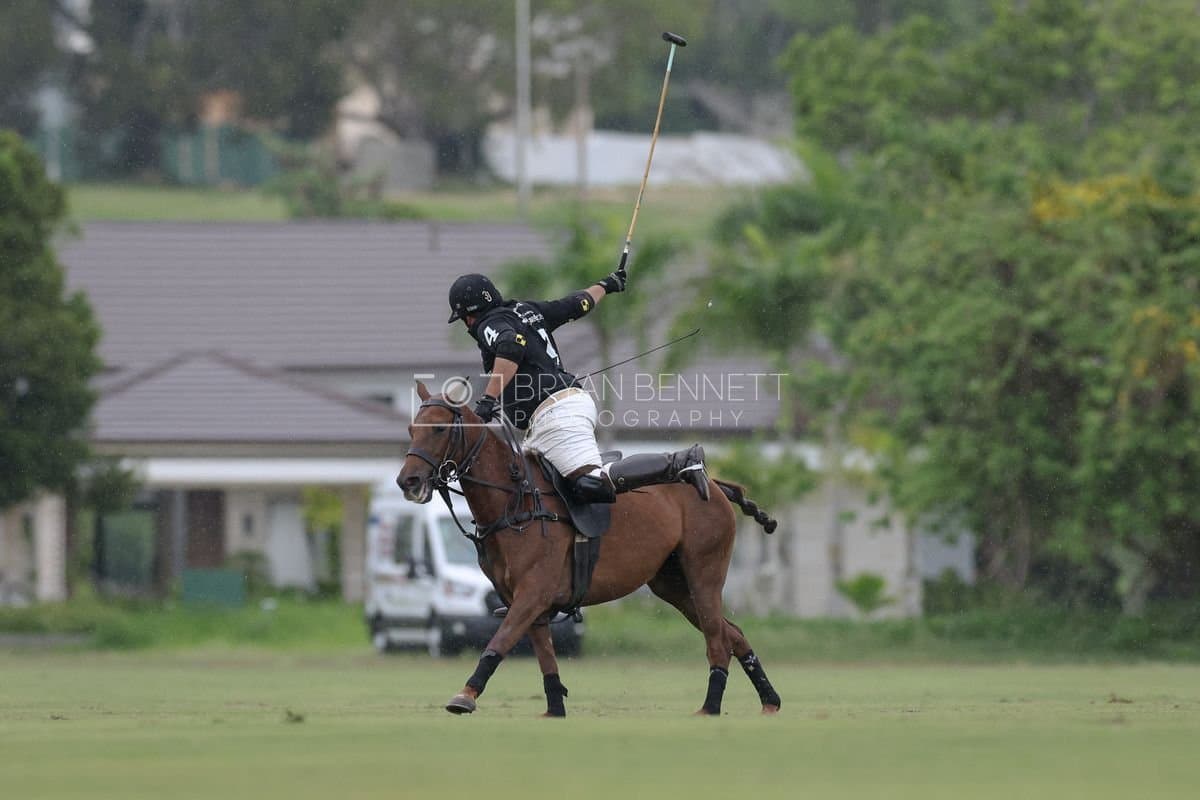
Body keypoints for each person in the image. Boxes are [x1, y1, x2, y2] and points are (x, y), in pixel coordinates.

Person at [445, 264, 709, 503]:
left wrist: (487, 401)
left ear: (471, 314)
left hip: (556, 415)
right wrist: (607, 284)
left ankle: (680, 462)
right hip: (552, 416)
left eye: (465, 318)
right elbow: (577, 303)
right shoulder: (527, 310)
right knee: (527, 492)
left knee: (592, 483)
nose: (468, 324)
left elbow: (511, 346)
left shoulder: (487, 324)